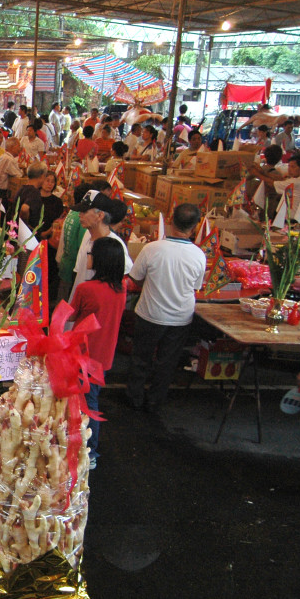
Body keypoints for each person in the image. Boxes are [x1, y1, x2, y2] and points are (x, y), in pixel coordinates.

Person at [127, 204, 205, 413]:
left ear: (171, 221)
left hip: (150, 313)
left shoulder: (152, 249)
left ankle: (134, 398)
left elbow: (135, 278)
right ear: (194, 227)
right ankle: (155, 402)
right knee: (167, 362)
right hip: (180, 318)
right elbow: (195, 287)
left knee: (141, 358)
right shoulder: (199, 255)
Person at [68, 235, 127, 469]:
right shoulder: (121, 288)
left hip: (83, 355)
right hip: (104, 357)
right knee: (91, 398)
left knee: (87, 402)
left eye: (91, 254)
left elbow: (70, 314)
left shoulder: (86, 289)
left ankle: (90, 452)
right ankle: (84, 446)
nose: (88, 257)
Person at [70, 190, 131, 299]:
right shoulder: (88, 236)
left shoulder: (113, 246)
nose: (80, 215)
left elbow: (123, 281)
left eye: (84, 211)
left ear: (100, 215)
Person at [0, 136, 22, 201]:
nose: (20, 149)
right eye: (18, 146)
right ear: (12, 147)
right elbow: (18, 175)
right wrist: (23, 170)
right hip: (1, 191)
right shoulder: (9, 159)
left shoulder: (3, 156)